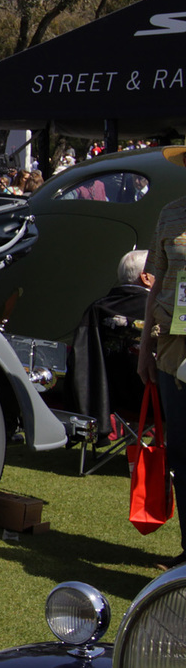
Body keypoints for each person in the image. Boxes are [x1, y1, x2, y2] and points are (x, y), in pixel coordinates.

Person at [139, 145, 186, 568]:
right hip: (173, 348)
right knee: (181, 453)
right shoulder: (171, 214)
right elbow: (157, 283)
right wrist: (146, 347)